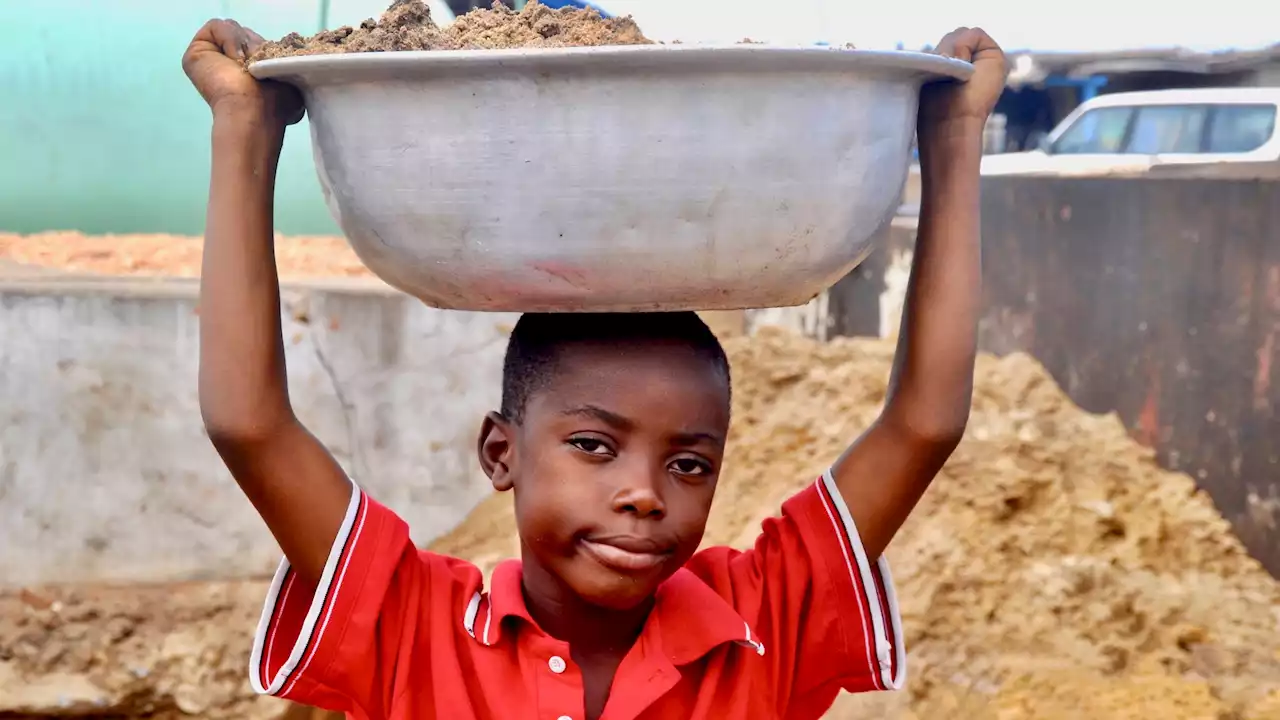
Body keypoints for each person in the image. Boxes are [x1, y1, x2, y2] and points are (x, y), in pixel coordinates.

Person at [181, 19, 1006, 720]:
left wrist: (953, 140)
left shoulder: (758, 627)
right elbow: (250, 425)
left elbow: (923, 423)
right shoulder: (415, 626)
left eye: (689, 463)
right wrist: (244, 134)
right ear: (500, 453)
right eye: (594, 446)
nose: (647, 493)